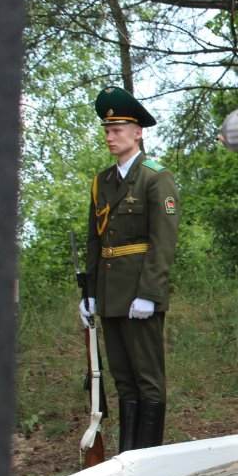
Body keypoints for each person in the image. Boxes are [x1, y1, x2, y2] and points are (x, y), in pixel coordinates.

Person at [80, 86, 180, 452]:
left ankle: (148, 458)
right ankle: (128, 455)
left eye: (117, 130)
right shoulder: (101, 183)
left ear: (138, 132)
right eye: (107, 130)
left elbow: (163, 241)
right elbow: (95, 241)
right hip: (109, 294)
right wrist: (90, 292)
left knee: (148, 379)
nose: (110, 136)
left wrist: (150, 294)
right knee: (123, 379)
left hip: (140, 292)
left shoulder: (155, 177)